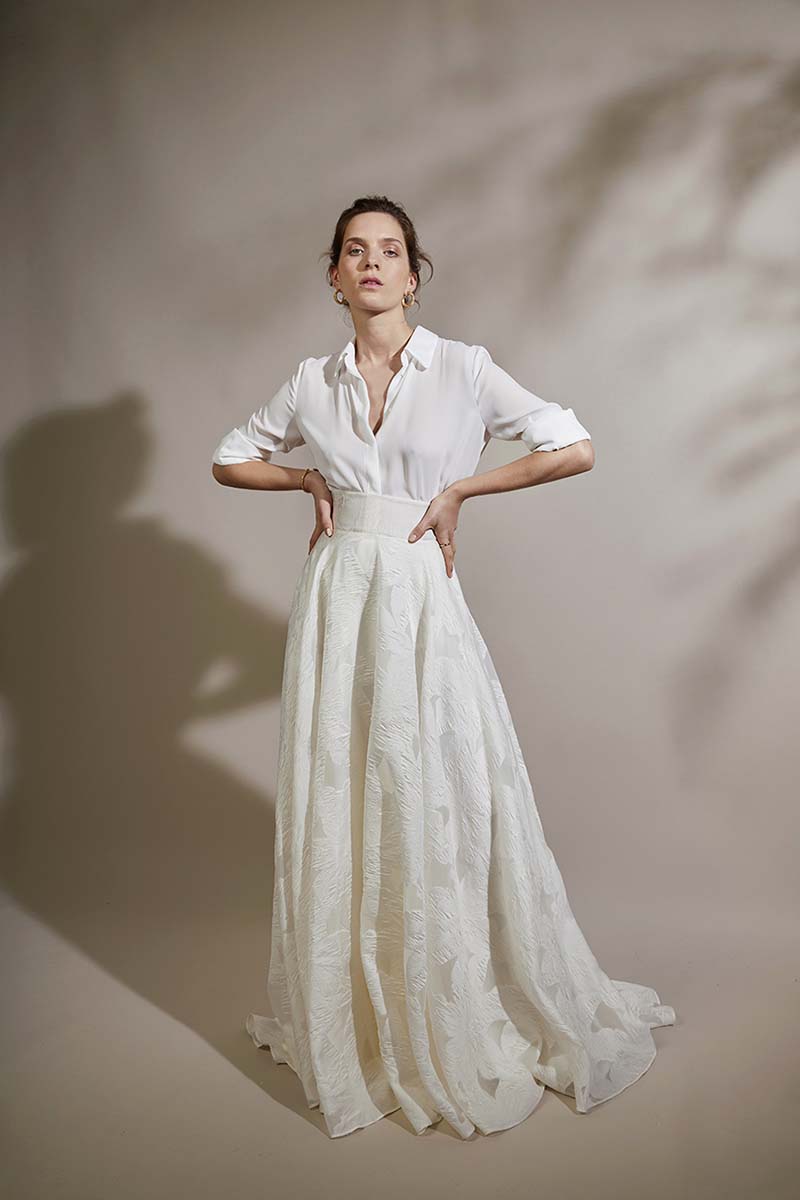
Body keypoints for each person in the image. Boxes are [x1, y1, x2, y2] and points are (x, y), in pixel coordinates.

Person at [211, 195, 676, 1139]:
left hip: (420, 597)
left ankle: (451, 999)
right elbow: (228, 458)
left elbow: (573, 447)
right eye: (354, 251)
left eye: (390, 250)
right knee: (347, 790)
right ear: (334, 277)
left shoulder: (463, 368)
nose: (372, 263)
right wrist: (305, 477)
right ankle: (362, 1013)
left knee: (438, 787)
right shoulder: (312, 382)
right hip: (339, 600)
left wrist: (464, 488)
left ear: (413, 274)